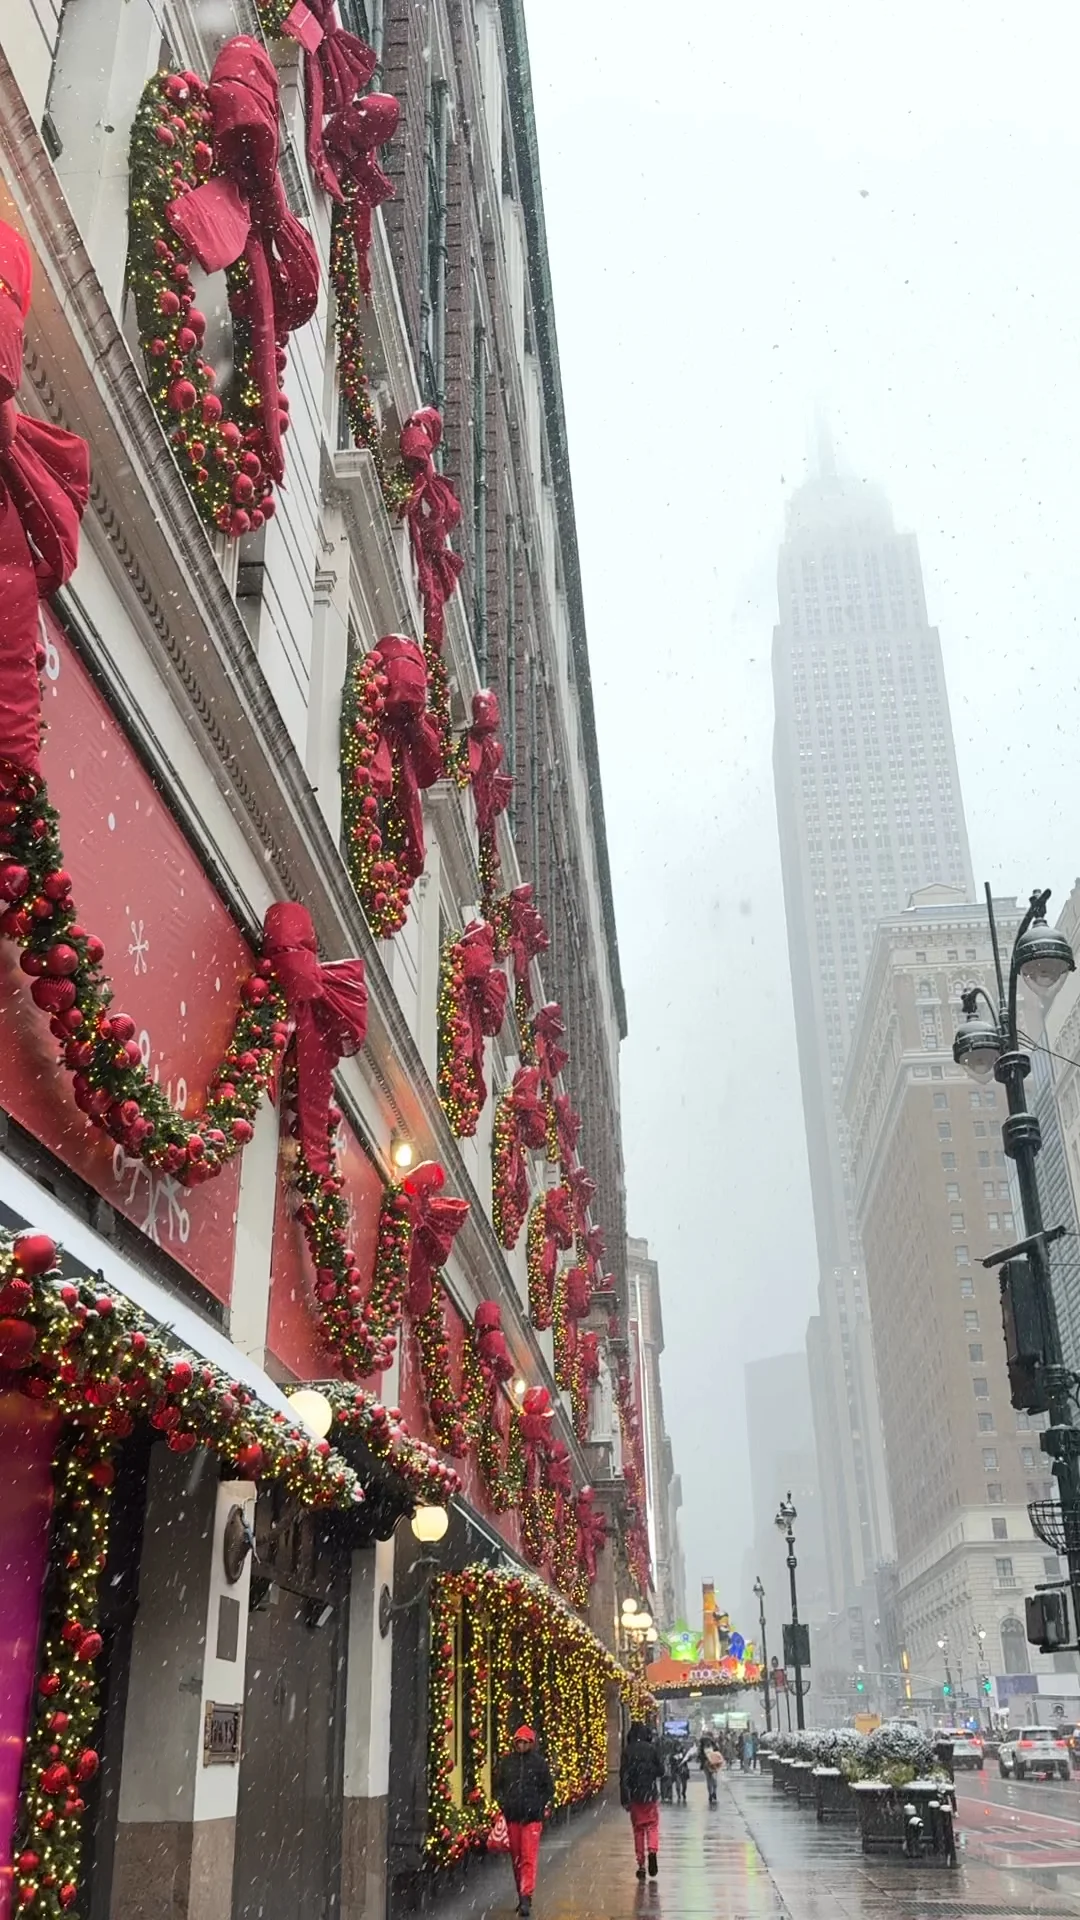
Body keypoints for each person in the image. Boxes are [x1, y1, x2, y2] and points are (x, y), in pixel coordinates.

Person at [493, 1724, 554, 1917]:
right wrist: (504, 1803)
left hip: (531, 1818)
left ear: (531, 1743)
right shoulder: (507, 1763)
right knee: (517, 1859)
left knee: (528, 1858)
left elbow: (548, 1788)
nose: (521, 1745)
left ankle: (526, 1896)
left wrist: (538, 1805)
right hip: (513, 1817)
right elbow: (499, 1786)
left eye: (525, 1742)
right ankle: (522, 1895)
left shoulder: (538, 1763)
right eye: (519, 1742)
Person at [620, 1720, 664, 1880]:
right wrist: (649, 1772)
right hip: (650, 1794)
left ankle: (641, 1865)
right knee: (652, 1825)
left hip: (635, 1795)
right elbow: (661, 1771)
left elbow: (623, 1777)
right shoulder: (652, 1749)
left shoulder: (628, 1751)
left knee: (638, 1830)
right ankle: (652, 1850)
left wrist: (625, 1798)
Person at [702, 1735, 725, 1807]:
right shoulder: (715, 1747)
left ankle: (711, 1793)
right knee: (713, 1779)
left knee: (709, 1780)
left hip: (707, 1765)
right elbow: (719, 1755)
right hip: (713, 1765)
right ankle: (713, 1792)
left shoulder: (702, 1748)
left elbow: (700, 1758)